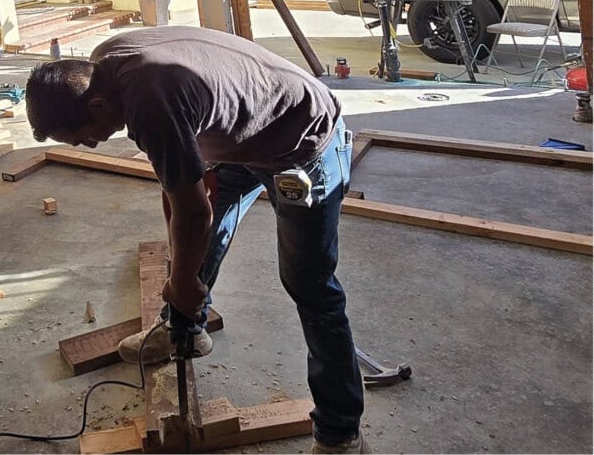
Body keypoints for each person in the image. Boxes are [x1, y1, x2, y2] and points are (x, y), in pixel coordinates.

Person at [24, 26, 366, 454]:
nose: (91, 144)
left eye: (85, 137)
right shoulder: (106, 68)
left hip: (301, 140)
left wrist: (183, 280)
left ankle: (340, 432)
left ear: (96, 104)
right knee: (192, 247)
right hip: (242, 135)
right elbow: (179, 191)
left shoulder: (149, 101)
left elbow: (193, 212)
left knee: (310, 284)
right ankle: (182, 329)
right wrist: (181, 280)